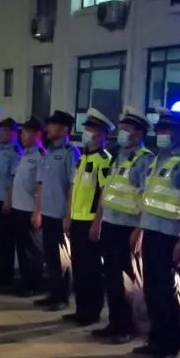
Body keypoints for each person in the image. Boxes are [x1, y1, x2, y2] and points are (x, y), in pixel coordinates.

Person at [135, 109, 180, 358]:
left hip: (171, 236)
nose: (162, 134)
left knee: (168, 292)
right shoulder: (157, 159)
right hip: (152, 231)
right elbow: (148, 198)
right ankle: (155, 339)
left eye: (167, 130)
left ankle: (170, 344)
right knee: (152, 290)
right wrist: (141, 229)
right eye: (160, 130)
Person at [91, 106, 154, 345]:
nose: (123, 131)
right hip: (111, 224)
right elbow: (108, 191)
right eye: (123, 127)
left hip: (129, 227)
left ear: (139, 132)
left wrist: (140, 230)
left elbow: (147, 197)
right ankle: (115, 323)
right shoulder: (119, 155)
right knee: (112, 278)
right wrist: (99, 220)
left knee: (128, 280)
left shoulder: (145, 159)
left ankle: (128, 326)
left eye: (128, 128)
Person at [63, 108, 114, 327]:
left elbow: (104, 193)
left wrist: (97, 222)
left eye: (92, 129)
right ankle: (81, 309)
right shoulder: (83, 158)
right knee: (79, 268)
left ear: (102, 134)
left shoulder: (104, 160)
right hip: (77, 219)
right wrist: (68, 216)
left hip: (90, 222)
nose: (87, 132)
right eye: (87, 128)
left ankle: (91, 312)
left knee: (91, 269)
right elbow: (74, 189)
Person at [33, 111, 81, 311]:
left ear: (64, 129)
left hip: (61, 215)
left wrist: (68, 216)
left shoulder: (71, 153)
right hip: (47, 212)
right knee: (50, 257)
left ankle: (62, 297)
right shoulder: (48, 152)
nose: (48, 129)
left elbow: (73, 187)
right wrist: (38, 211)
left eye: (52, 125)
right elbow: (41, 184)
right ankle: (53, 294)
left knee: (62, 259)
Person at [9, 117, 47, 298]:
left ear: (37, 134)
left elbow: (41, 186)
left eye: (25, 132)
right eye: (22, 132)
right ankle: (25, 281)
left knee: (32, 250)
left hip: (30, 210)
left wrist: (37, 212)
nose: (21, 135)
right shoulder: (24, 154)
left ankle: (33, 284)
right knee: (22, 249)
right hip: (18, 208)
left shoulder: (41, 156)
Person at [0, 117, 22, 288]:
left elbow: (14, 179)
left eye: (5, 130)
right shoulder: (0, 149)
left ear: (13, 133)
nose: (1, 133)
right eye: (1, 130)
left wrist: (8, 200)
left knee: (5, 240)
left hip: (4, 201)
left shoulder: (15, 153)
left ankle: (5, 276)